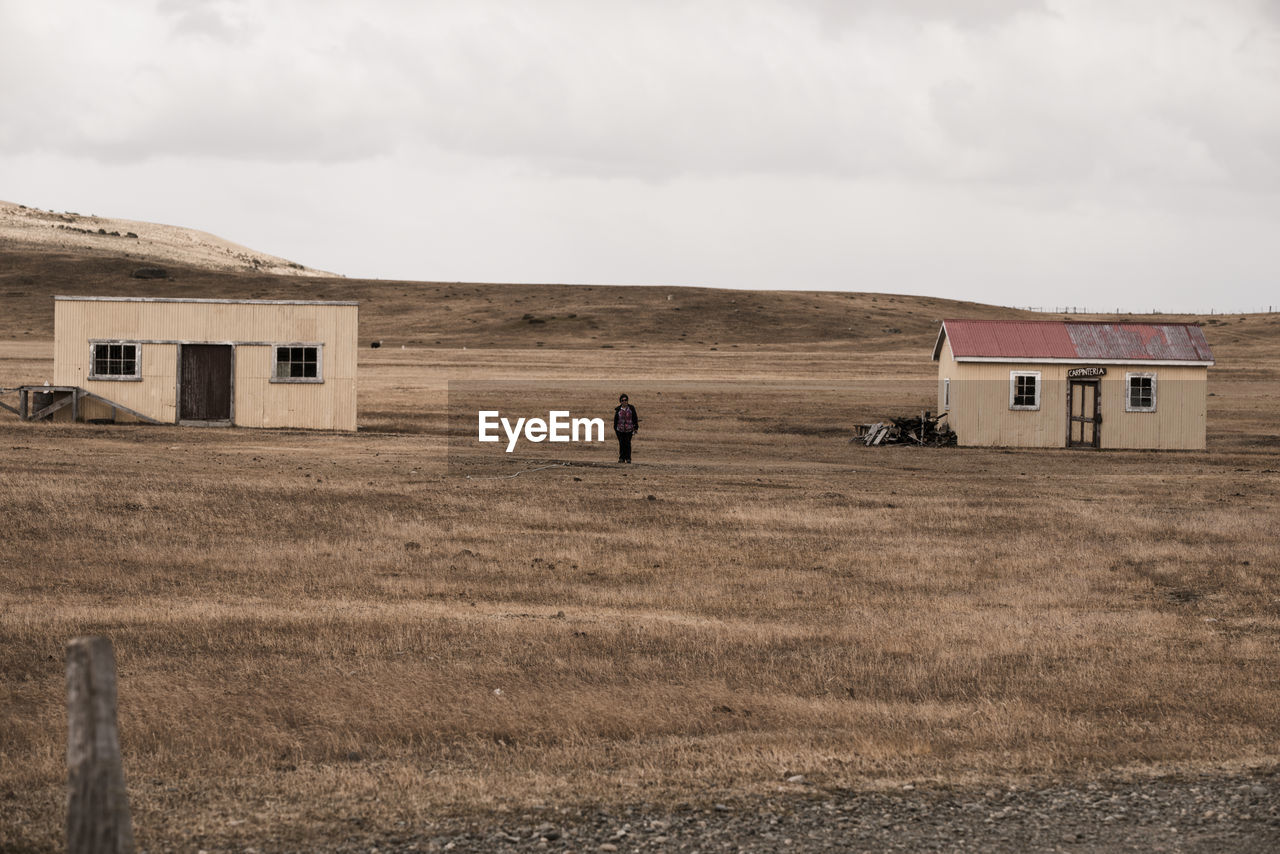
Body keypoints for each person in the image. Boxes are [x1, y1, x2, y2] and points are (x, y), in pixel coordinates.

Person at [613, 394, 639, 463]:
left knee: (627, 443)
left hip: (629, 429)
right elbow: (616, 420)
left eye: (625, 400)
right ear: (620, 401)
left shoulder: (631, 408)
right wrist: (615, 428)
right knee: (621, 443)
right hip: (620, 429)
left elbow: (635, 418)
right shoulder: (618, 409)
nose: (624, 402)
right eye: (622, 400)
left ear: (627, 401)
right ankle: (621, 458)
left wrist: (636, 427)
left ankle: (628, 458)